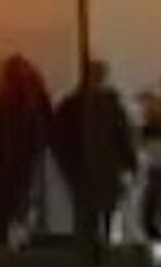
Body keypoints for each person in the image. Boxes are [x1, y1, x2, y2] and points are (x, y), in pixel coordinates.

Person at [0, 55, 55, 250]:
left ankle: (0, 259)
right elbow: (47, 135)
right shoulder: (34, 104)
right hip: (27, 175)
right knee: (29, 225)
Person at [53, 60, 139, 248]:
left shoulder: (70, 105)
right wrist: (131, 165)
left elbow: (58, 142)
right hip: (107, 172)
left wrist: (68, 168)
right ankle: (105, 254)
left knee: (85, 222)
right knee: (108, 220)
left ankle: (88, 257)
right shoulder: (111, 106)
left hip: (81, 173)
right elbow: (123, 138)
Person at [139, 82, 161, 241]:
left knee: (150, 208)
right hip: (155, 169)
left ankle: (154, 241)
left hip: (155, 169)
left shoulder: (150, 126)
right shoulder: (149, 126)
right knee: (150, 208)